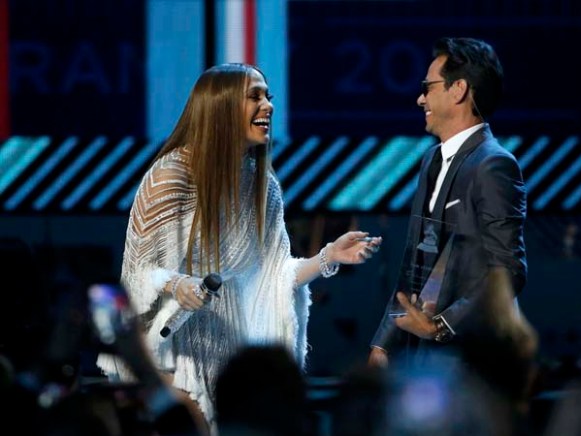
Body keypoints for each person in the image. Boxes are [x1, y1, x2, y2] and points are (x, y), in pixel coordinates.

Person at [96, 63, 382, 433]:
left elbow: (274, 275)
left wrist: (328, 256)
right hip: (175, 356)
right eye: (254, 96)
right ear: (220, 106)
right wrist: (177, 285)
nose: (267, 106)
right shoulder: (172, 175)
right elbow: (137, 273)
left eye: (268, 96)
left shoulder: (263, 186)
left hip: (229, 358)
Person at [368, 37, 527, 373]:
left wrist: (442, 325)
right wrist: (384, 341)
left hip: (472, 355)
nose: (420, 98)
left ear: (458, 90)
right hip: (421, 354)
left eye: (428, 87)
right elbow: (415, 259)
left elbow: (508, 270)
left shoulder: (494, 165)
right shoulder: (431, 160)